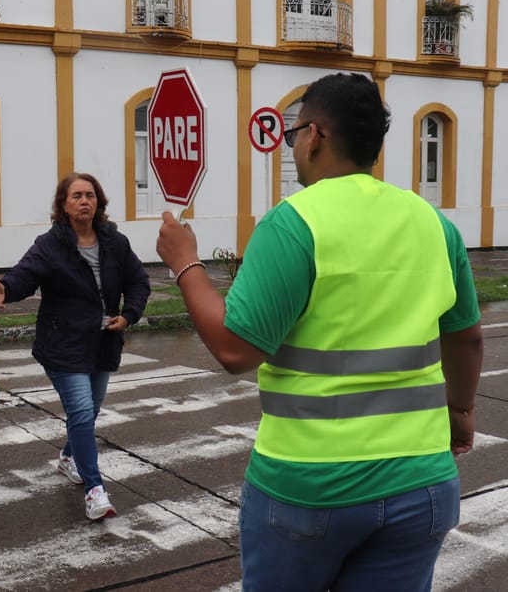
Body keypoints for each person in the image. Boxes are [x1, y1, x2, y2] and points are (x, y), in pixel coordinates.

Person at [155, 72, 483, 591]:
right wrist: (460, 413)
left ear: (314, 136)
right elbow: (465, 338)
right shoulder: (434, 224)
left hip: (310, 485)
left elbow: (235, 349)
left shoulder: (292, 224)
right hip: (421, 481)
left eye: (293, 134)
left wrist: (185, 262)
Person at [0, 173, 149, 520]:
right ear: (63, 204)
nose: (84, 201)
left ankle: (68, 457)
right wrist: (7, 289)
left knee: (90, 411)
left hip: (103, 341)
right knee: (81, 411)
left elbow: (139, 281)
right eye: (76, 196)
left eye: (90, 195)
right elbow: (25, 273)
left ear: (98, 202)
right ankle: (95, 490)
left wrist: (129, 315)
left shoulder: (115, 242)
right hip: (63, 342)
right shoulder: (50, 244)